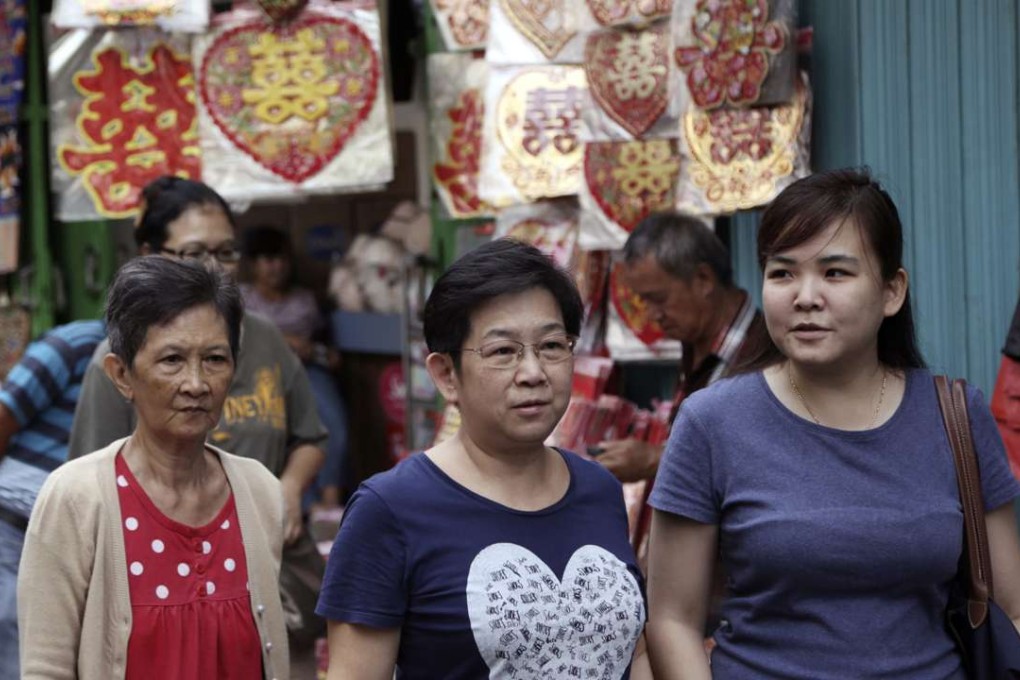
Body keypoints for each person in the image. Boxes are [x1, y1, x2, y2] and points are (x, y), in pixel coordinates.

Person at [646, 168, 1020, 679]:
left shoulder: (955, 416)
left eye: (835, 272)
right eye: (782, 273)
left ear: (892, 291)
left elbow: (1010, 606)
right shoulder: (712, 422)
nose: (805, 296)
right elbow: (672, 619)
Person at [316, 239, 649, 679]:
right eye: (502, 351)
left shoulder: (600, 490)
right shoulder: (390, 509)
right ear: (446, 375)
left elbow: (635, 654)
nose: (532, 373)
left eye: (551, 345)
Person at [68, 176, 328, 646]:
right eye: (193, 253)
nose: (216, 268)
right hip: (164, 588)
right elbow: (91, 496)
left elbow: (310, 436)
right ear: (149, 253)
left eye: (227, 252)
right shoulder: (119, 362)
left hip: (272, 569)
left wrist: (286, 489)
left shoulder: (265, 338)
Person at [18, 256, 288, 679]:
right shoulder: (76, 497)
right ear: (122, 374)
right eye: (172, 360)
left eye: (215, 359)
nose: (197, 384)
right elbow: (44, 668)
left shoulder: (259, 493)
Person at [598, 213, 766, 562]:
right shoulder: (697, 345)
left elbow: (759, 462)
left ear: (703, 279)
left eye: (658, 298)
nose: (652, 315)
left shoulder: (766, 354)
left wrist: (654, 460)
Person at [0, 319, 105, 677]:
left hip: (72, 543)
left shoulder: (157, 362)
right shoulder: (78, 343)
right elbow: (3, 415)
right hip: (13, 525)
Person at [240, 225, 349, 508]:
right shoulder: (241, 299)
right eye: (266, 260)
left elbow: (328, 348)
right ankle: (302, 501)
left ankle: (329, 501)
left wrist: (311, 349)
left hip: (305, 371)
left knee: (333, 423)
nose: (274, 267)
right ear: (253, 265)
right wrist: (282, 339)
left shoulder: (305, 300)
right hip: (255, 373)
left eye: (279, 259)